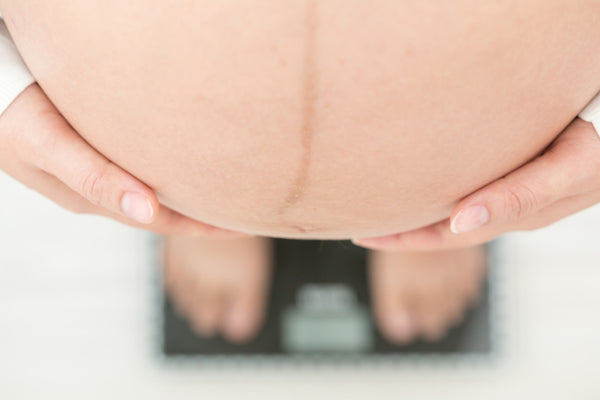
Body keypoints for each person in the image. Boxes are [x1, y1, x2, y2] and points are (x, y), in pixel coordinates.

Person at [0, 2, 599, 344]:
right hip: (159, 139)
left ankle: (432, 210)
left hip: (478, 128)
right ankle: (222, 209)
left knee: (454, 194)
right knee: (189, 190)